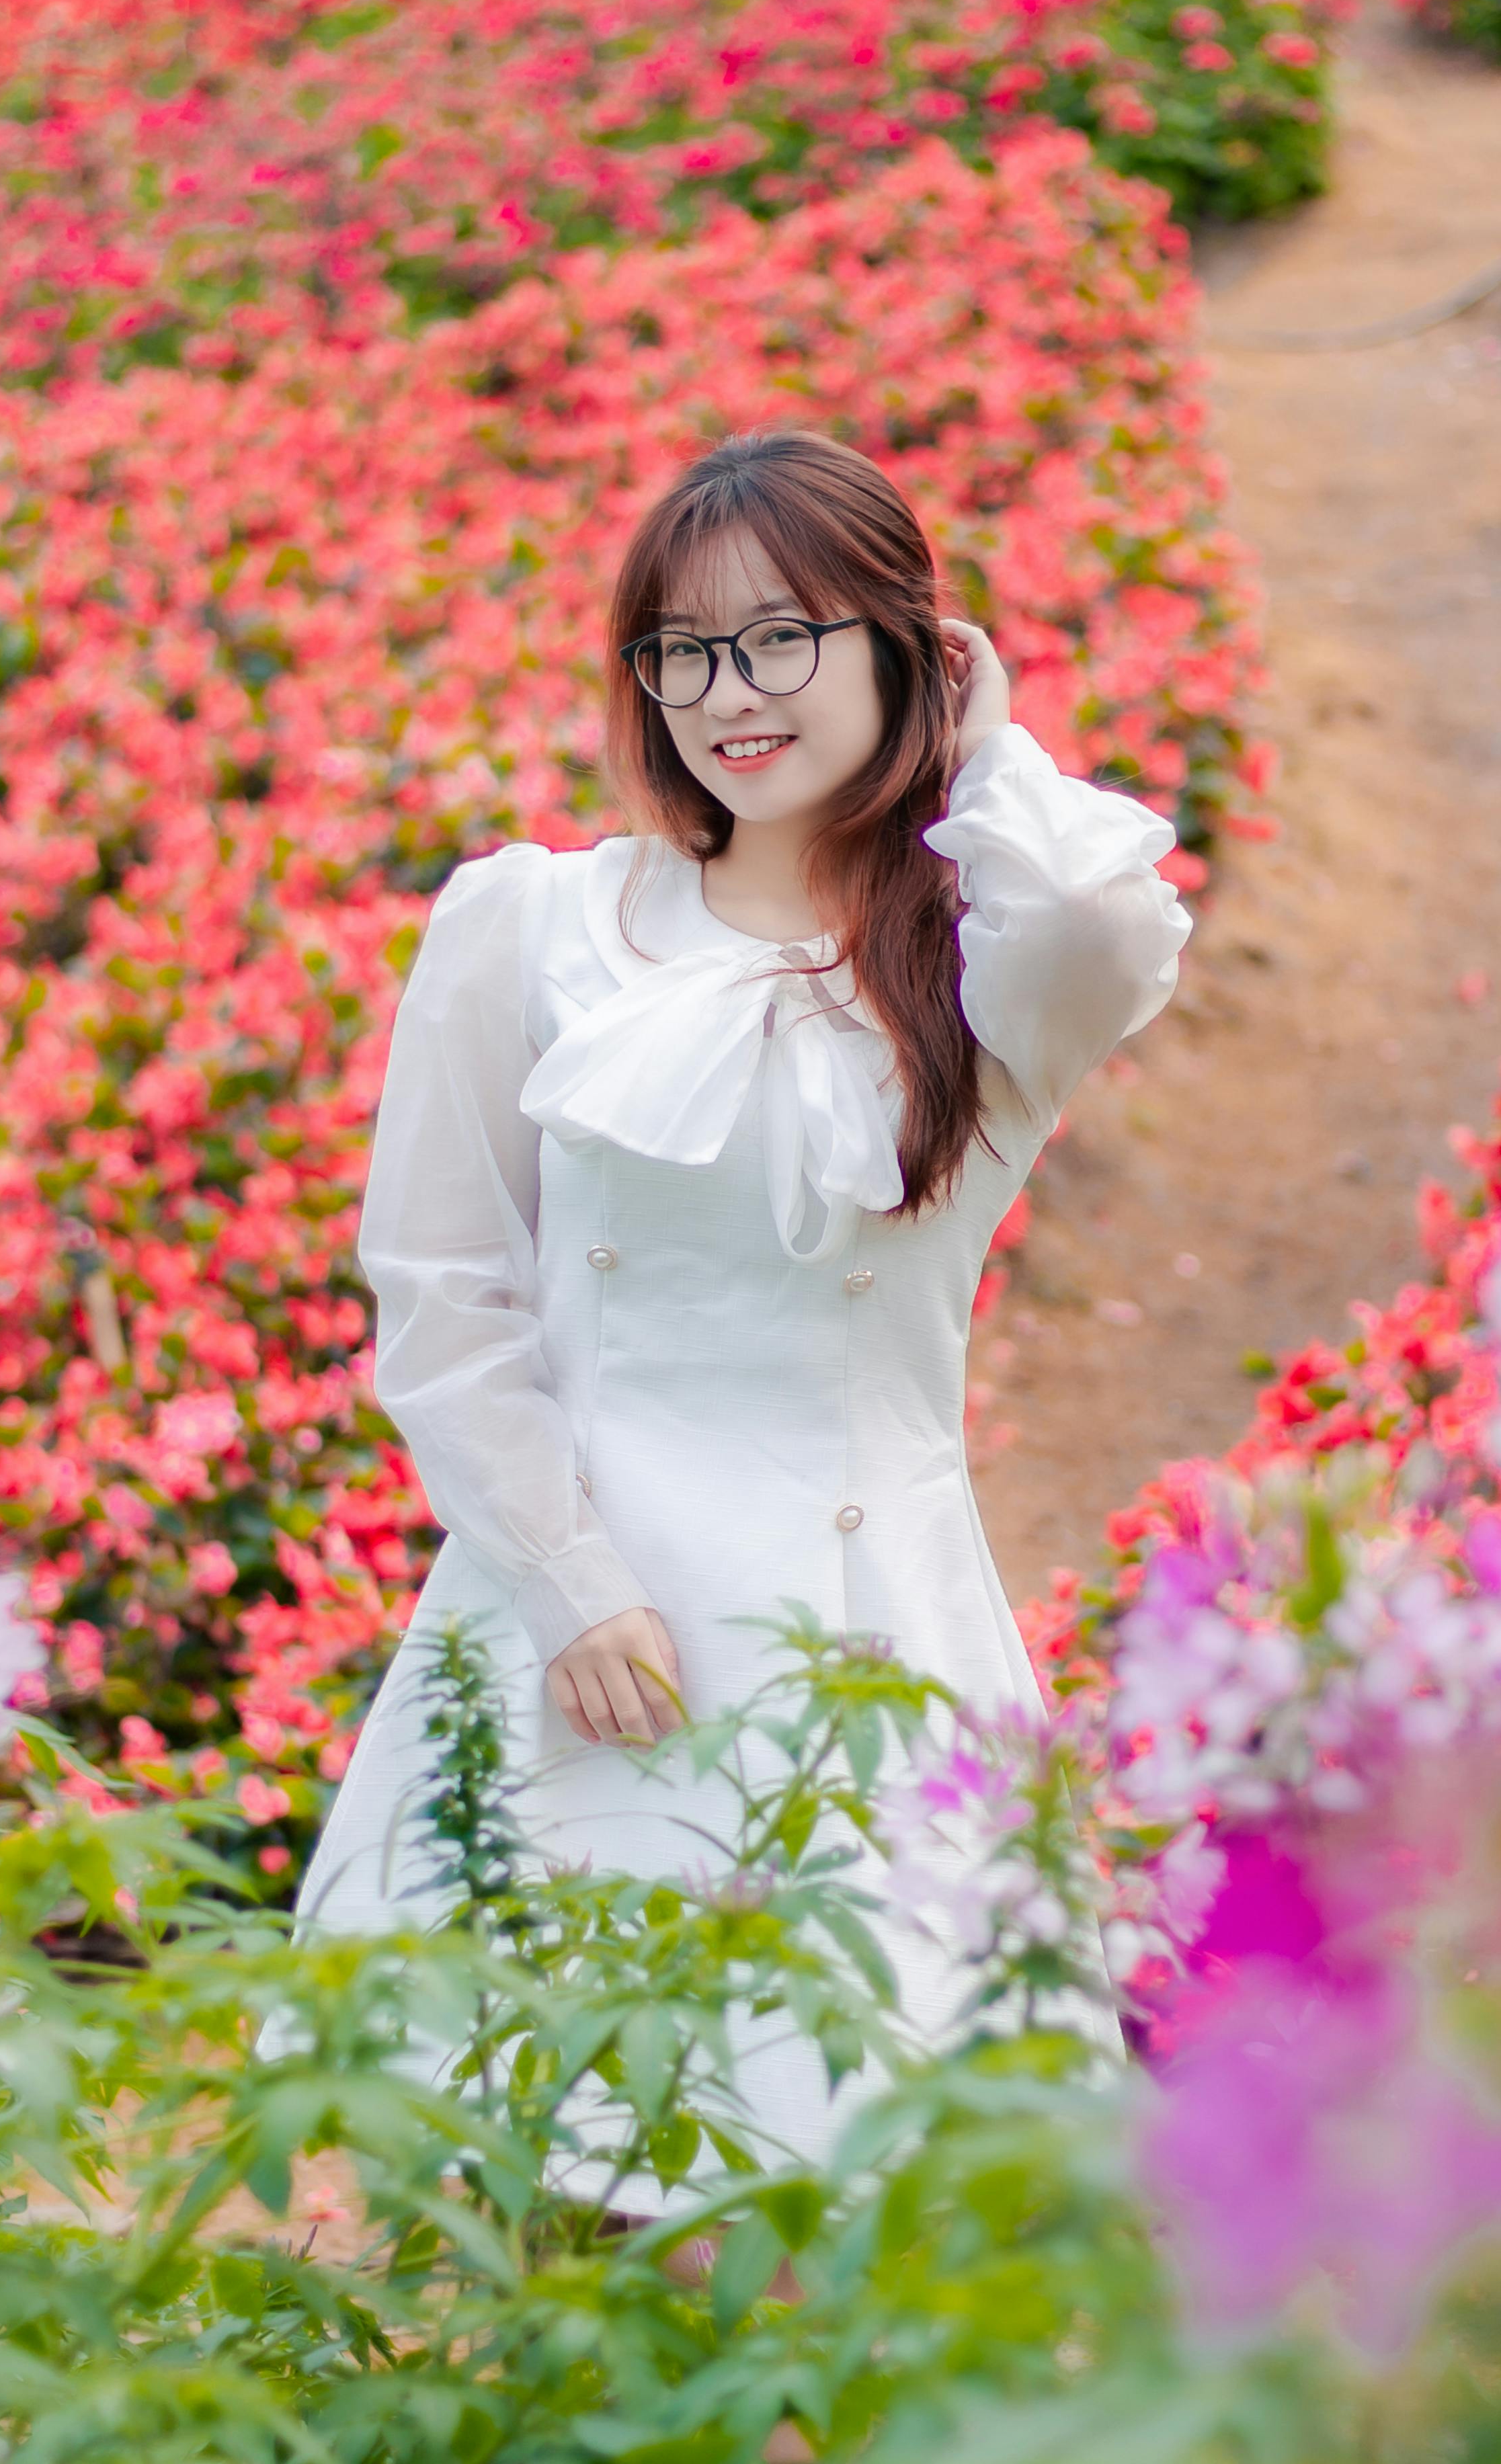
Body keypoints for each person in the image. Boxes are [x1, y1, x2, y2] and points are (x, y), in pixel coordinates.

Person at [298, 427, 1190, 2158]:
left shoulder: (986, 973)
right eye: (684, 649)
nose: (731, 690)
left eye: (783, 633)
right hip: (588, 1628)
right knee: (538, 2180)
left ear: (896, 644)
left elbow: (1092, 914)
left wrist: (985, 747)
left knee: (846, 2193)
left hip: (872, 1635)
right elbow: (445, 1290)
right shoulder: (535, 926)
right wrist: (565, 1580)